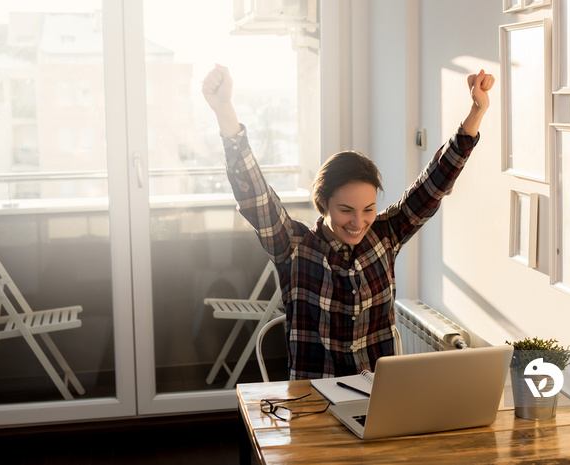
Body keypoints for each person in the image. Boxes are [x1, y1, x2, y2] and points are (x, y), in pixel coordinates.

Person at [202, 64, 494, 380]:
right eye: (346, 210)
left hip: (378, 397)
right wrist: (224, 111)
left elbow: (433, 183)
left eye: (368, 209)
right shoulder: (295, 247)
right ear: (323, 202)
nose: (359, 221)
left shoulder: (386, 234)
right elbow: (254, 195)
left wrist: (476, 111)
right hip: (313, 403)